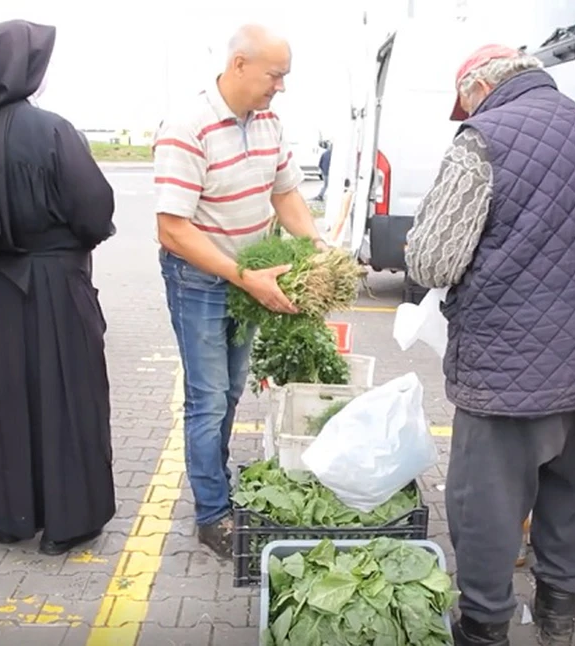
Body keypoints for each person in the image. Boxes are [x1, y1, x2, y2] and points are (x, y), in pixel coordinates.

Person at [405, 45, 575, 646]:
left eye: (465, 105)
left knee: (486, 511)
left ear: (479, 87)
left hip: (511, 372)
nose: (464, 116)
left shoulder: (483, 139)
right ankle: (558, 629)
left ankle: (485, 631)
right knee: (571, 508)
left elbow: (432, 260)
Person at [0, 20, 117, 556]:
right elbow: (94, 211)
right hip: (51, 285)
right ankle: (67, 523)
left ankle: (9, 517)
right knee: (64, 397)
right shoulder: (52, 130)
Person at [153, 24, 326, 559]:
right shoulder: (188, 127)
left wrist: (317, 246)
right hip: (200, 280)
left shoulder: (269, 121)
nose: (280, 86)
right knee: (206, 400)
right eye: (275, 75)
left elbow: (286, 192)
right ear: (239, 66)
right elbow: (173, 229)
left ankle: (219, 486)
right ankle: (211, 515)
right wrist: (242, 275)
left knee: (230, 391)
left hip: (247, 276)